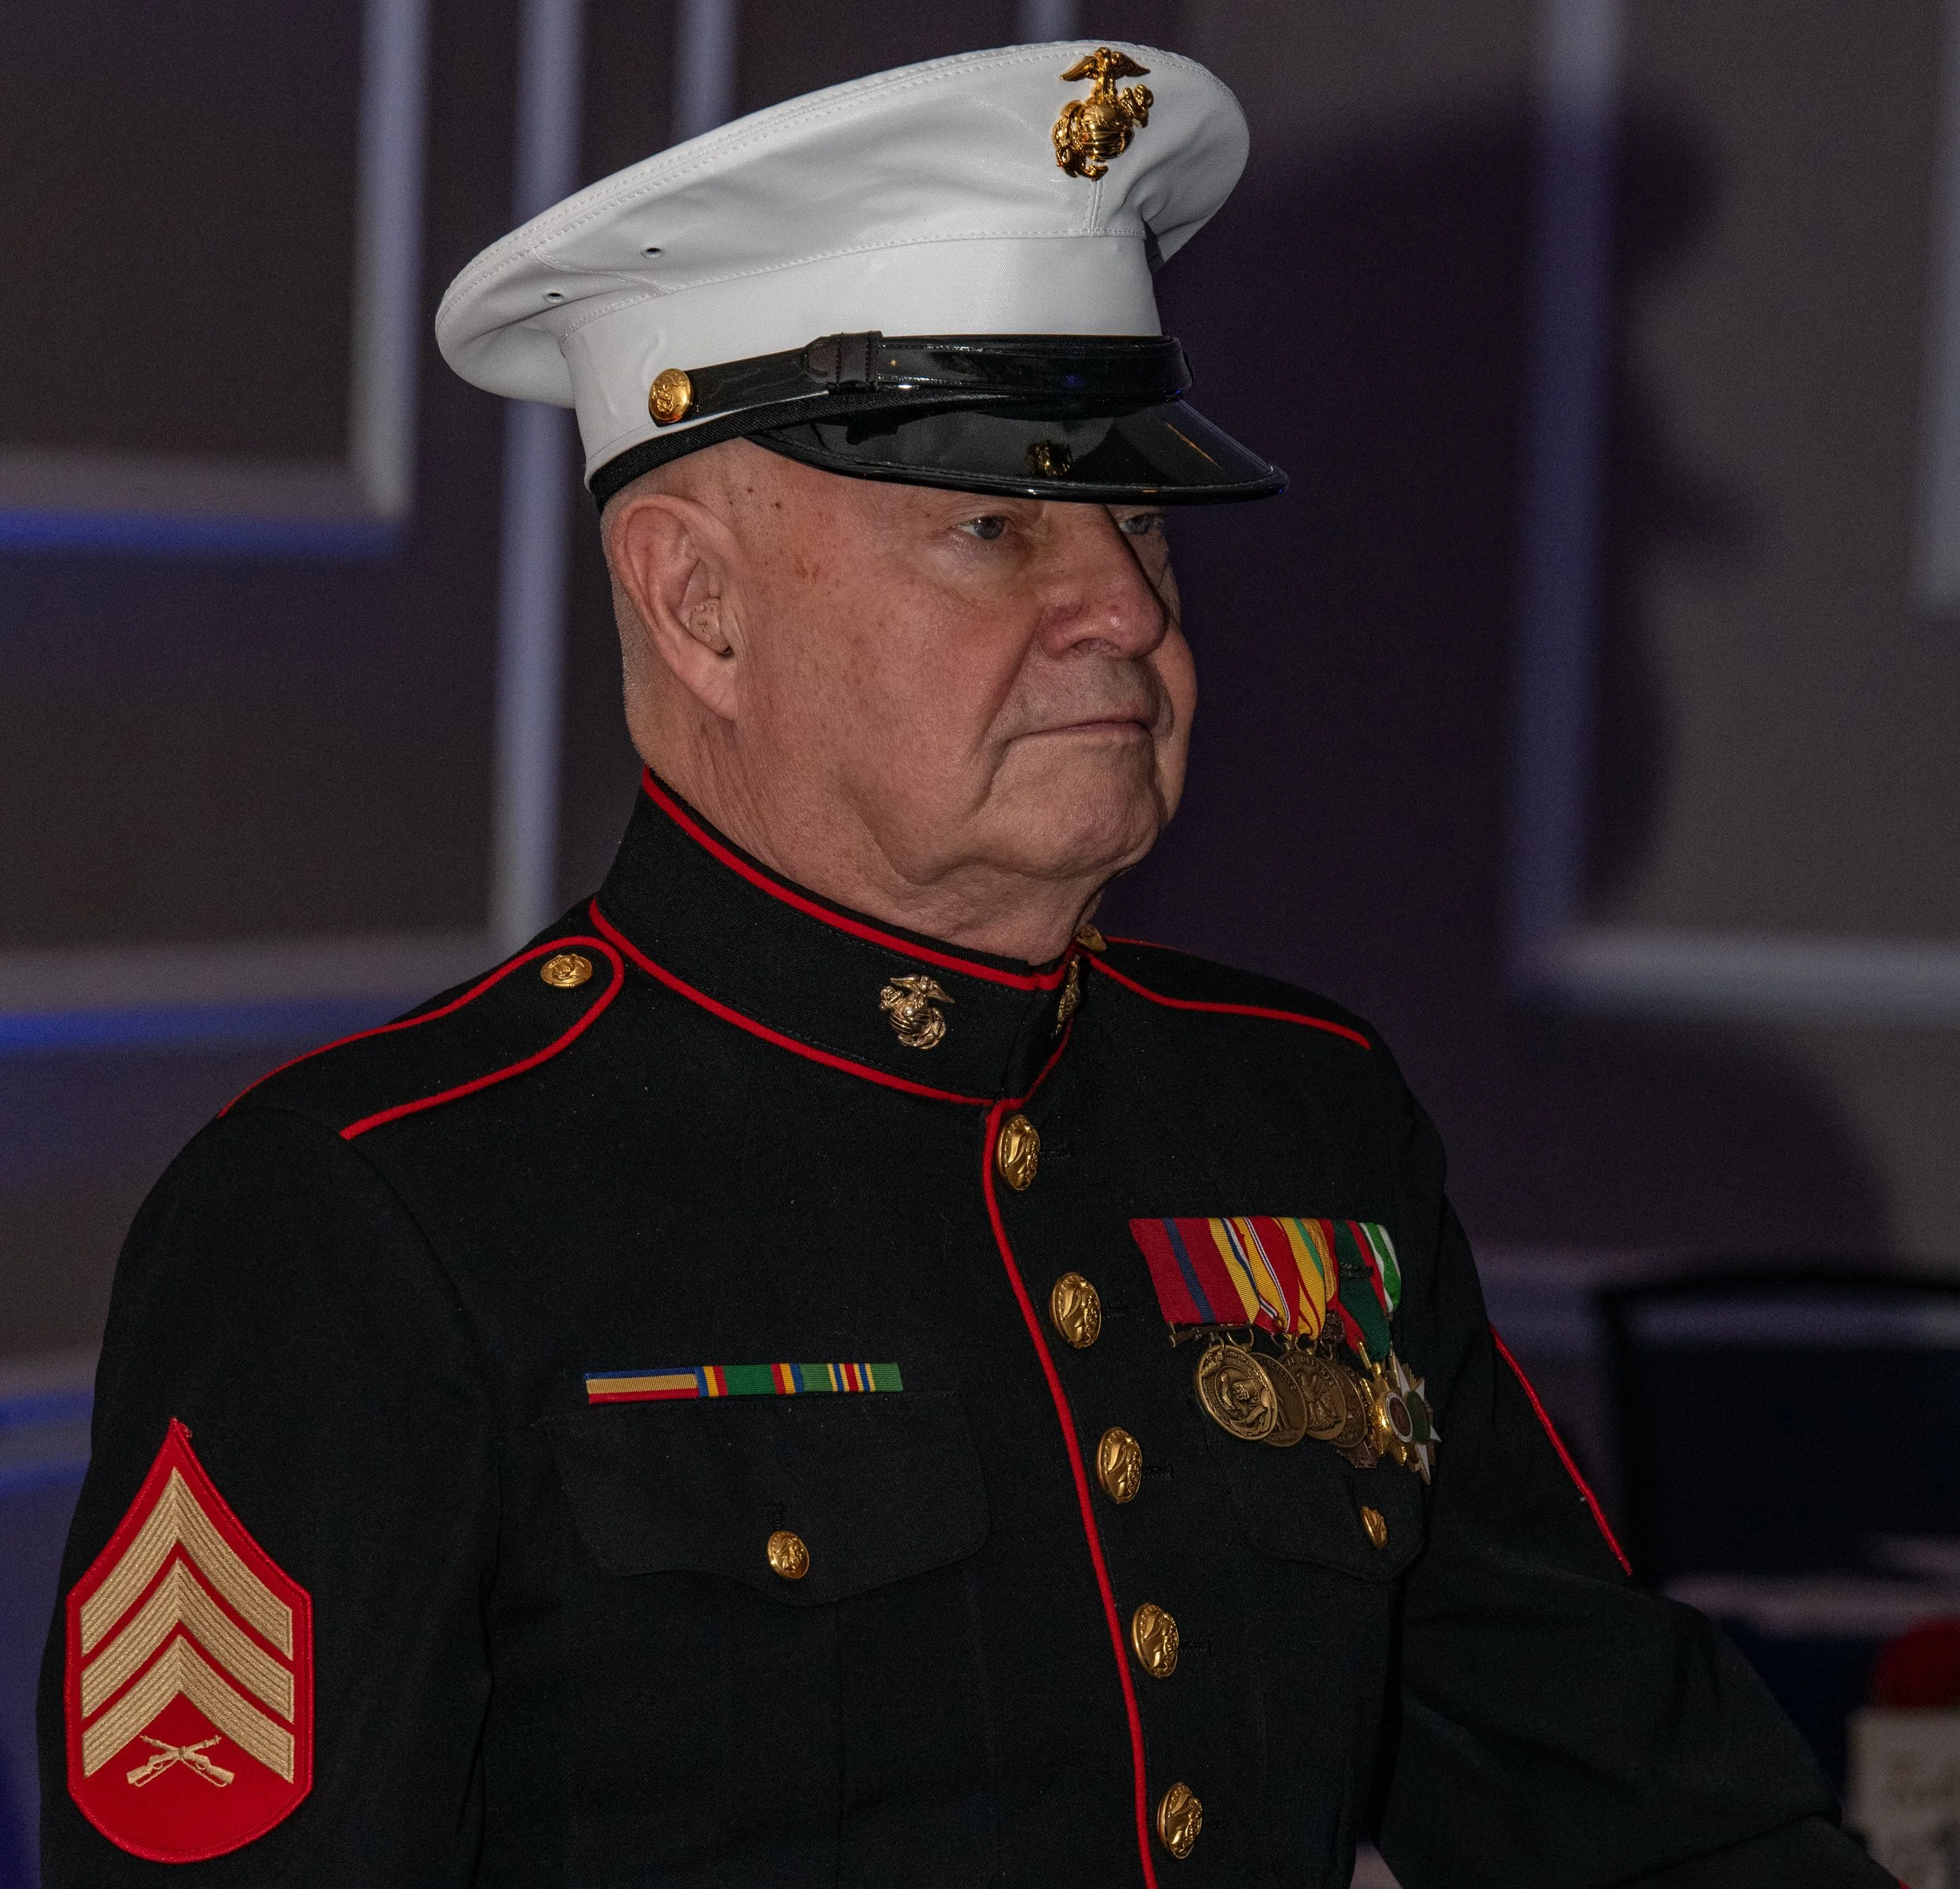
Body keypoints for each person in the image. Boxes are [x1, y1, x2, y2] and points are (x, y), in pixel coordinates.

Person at [40, 41, 1893, 1889]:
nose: (1122, 604)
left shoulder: (1293, 1117)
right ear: (698, 602)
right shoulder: (365, 1221)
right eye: (994, 524)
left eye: (1139, 514)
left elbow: (1645, 1817)